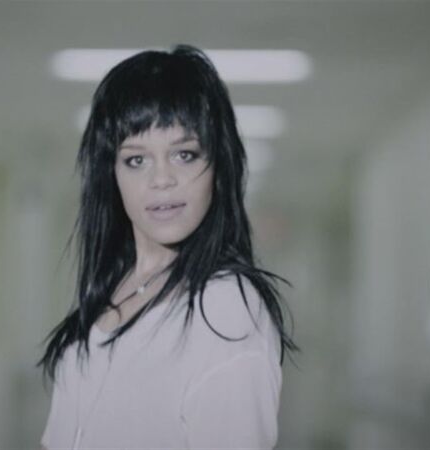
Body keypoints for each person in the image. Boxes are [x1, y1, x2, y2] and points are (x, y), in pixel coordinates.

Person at [37, 44, 297, 450]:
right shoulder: (112, 290)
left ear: (218, 166)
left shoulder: (226, 310)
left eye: (184, 154)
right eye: (136, 160)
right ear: (112, 174)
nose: (162, 179)